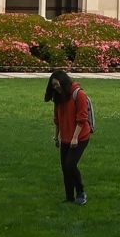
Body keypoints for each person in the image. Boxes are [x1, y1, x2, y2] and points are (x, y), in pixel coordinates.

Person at [47, 71, 93, 206]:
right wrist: (56, 137)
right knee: (65, 167)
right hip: (66, 138)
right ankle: (69, 197)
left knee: (70, 165)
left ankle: (80, 192)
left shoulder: (79, 94)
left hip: (80, 137)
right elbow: (57, 120)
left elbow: (82, 119)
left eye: (57, 85)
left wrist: (75, 138)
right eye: (53, 86)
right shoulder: (59, 97)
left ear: (63, 81)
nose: (56, 88)